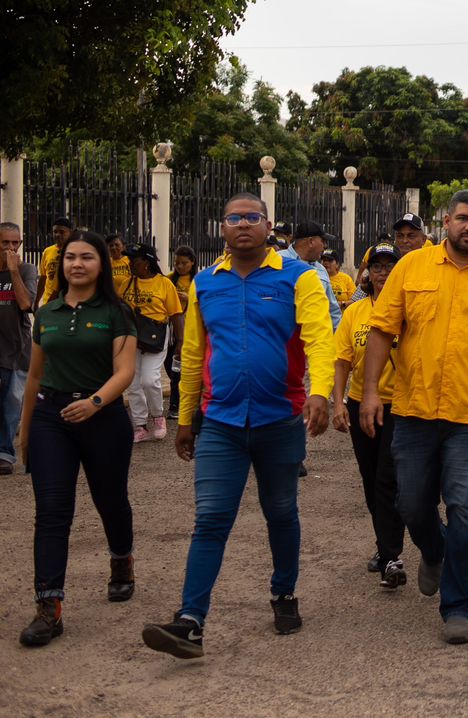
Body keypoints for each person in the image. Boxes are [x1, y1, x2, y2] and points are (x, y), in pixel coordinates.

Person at [141, 192, 335, 659]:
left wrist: (321, 392)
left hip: (279, 421)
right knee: (210, 519)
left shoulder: (299, 278)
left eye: (252, 217)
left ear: (268, 226)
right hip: (220, 424)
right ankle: (190, 621)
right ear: (222, 228)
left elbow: (319, 339)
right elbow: (192, 355)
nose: (243, 224)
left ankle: (284, 593)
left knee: (280, 512)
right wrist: (186, 418)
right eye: (234, 218)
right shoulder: (205, 283)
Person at [360, 189, 468, 645]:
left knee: (466, 505)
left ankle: (459, 604)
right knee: (411, 504)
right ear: (446, 222)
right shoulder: (411, 268)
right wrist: (370, 393)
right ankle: (435, 550)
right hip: (415, 409)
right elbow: (381, 330)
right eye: (462, 219)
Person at [17, 230, 137, 646]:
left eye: (87, 257)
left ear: (101, 264)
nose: (77, 264)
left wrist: (95, 402)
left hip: (104, 418)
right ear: (60, 263)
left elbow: (125, 371)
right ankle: (48, 607)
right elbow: (35, 376)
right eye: (70, 257)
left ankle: (121, 560)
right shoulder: (47, 313)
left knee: (110, 500)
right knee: (52, 511)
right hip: (52, 418)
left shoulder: (117, 312)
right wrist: (25, 430)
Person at [332, 242, 408, 588]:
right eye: (377, 267)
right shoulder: (354, 313)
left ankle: (391, 555)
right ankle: (385, 545)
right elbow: (342, 361)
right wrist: (337, 403)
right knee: (371, 478)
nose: (383, 273)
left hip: (400, 406)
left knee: (388, 480)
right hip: (361, 404)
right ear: (368, 273)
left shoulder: (410, 309)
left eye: (390, 266)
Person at [120, 243, 183, 443]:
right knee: (133, 382)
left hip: (155, 337)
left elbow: (176, 314)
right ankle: (140, 425)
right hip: (131, 338)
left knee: (149, 379)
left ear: (146, 262)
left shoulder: (164, 284)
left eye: (134, 260)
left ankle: (157, 416)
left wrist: (180, 342)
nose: (130, 263)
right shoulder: (126, 283)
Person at [0, 223, 37, 474]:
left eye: (16, 243)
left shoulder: (26, 270)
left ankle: (5, 454)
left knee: (11, 404)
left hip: (17, 350)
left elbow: (26, 304)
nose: (11, 248)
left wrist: (13, 271)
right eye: (5, 243)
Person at [280, 221, 342, 330]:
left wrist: (338, 337)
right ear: (311, 241)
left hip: (314, 337)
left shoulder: (321, 270)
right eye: (323, 241)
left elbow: (333, 311)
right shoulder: (278, 261)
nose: (325, 246)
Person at [165, 246, 198, 420]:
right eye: (177, 263)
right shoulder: (169, 279)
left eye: (184, 263)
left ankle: (176, 405)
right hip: (171, 330)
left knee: (180, 370)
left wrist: (188, 298)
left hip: (191, 329)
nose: (180, 266)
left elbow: (205, 302)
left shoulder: (198, 281)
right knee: (170, 366)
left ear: (192, 263)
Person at [36, 217, 74, 308]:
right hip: (48, 302)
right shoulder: (47, 251)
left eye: (62, 232)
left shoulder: (74, 252)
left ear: (70, 233)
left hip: (67, 303)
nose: (57, 235)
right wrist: (36, 301)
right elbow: (43, 277)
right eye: (55, 232)